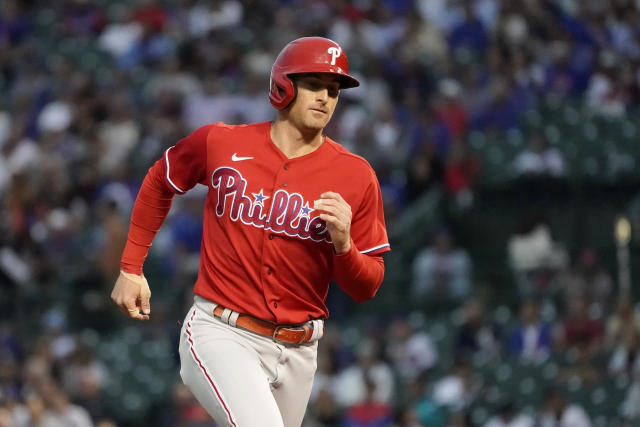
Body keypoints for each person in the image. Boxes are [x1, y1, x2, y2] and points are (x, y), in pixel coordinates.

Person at [110, 36, 390, 427]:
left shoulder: (356, 175)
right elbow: (161, 179)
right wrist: (131, 267)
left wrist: (344, 246)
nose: (325, 98)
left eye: (333, 90)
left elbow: (368, 286)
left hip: (300, 350)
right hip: (222, 330)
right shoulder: (222, 142)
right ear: (283, 87)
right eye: (313, 85)